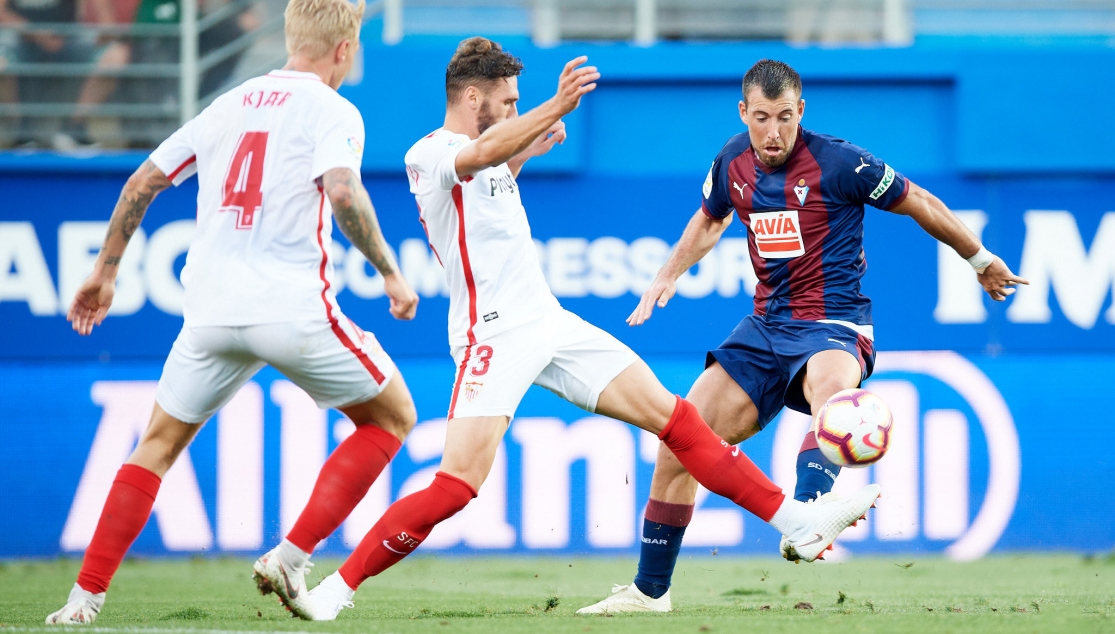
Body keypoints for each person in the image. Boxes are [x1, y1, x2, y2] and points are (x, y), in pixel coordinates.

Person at [269, 37, 882, 622]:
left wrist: (528, 148)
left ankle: (795, 521)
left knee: (679, 423)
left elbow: (491, 169)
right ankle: (335, 590)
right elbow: (476, 160)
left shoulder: (487, 156)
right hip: (493, 335)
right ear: (474, 98)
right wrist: (552, 107)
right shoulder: (428, 152)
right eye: (508, 101)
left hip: (549, 322)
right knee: (457, 486)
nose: (514, 110)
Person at [577, 59, 1029, 614]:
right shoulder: (731, 162)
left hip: (834, 322)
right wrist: (668, 273)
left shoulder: (842, 163)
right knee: (680, 445)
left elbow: (922, 203)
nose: (773, 132)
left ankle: (809, 515)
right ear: (743, 112)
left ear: (802, 112)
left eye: (785, 118)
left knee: (833, 395)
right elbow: (711, 217)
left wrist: (980, 259)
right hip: (765, 327)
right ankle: (649, 592)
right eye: (762, 118)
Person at [45, 0, 420, 624]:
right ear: (344, 50)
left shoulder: (229, 103)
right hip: (291, 309)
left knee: (156, 446)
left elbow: (142, 181)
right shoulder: (334, 109)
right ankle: (292, 558)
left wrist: (105, 271)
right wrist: (390, 271)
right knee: (392, 418)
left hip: (211, 311)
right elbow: (343, 190)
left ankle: (81, 602)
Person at [0, 0, 129, 149]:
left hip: (69, 37)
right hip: (18, 38)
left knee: (114, 58)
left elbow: (107, 24)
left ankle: (74, 129)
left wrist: (106, 25)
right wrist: (34, 32)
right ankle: (21, 133)